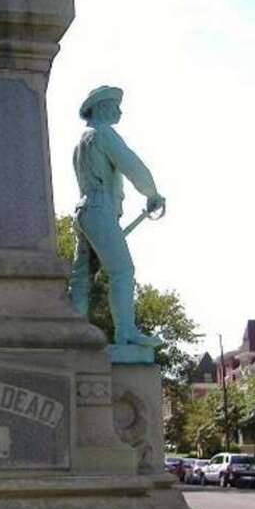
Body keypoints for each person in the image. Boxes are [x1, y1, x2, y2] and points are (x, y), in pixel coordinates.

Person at [69, 85, 165, 348]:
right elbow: (131, 164)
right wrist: (152, 192)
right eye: (115, 106)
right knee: (122, 270)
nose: (119, 111)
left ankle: (72, 332)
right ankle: (126, 332)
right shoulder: (103, 134)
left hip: (85, 212)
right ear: (102, 107)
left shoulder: (82, 140)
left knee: (82, 277)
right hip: (100, 211)